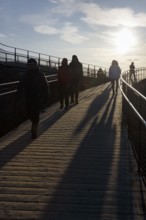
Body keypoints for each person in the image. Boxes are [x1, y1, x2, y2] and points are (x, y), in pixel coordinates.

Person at [20, 58, 49, 138]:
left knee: (36, 115)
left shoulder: (40, 75)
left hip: (38, 98)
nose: (30, 67)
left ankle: (34, 131)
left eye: (32, 65)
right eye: (29, 65)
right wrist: (19, 95)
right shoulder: (24, 75)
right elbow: (20, 87)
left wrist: (46, 97)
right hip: (28, 99)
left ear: (36, 65)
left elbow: (45, 87)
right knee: (30, 115)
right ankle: (34, 126)